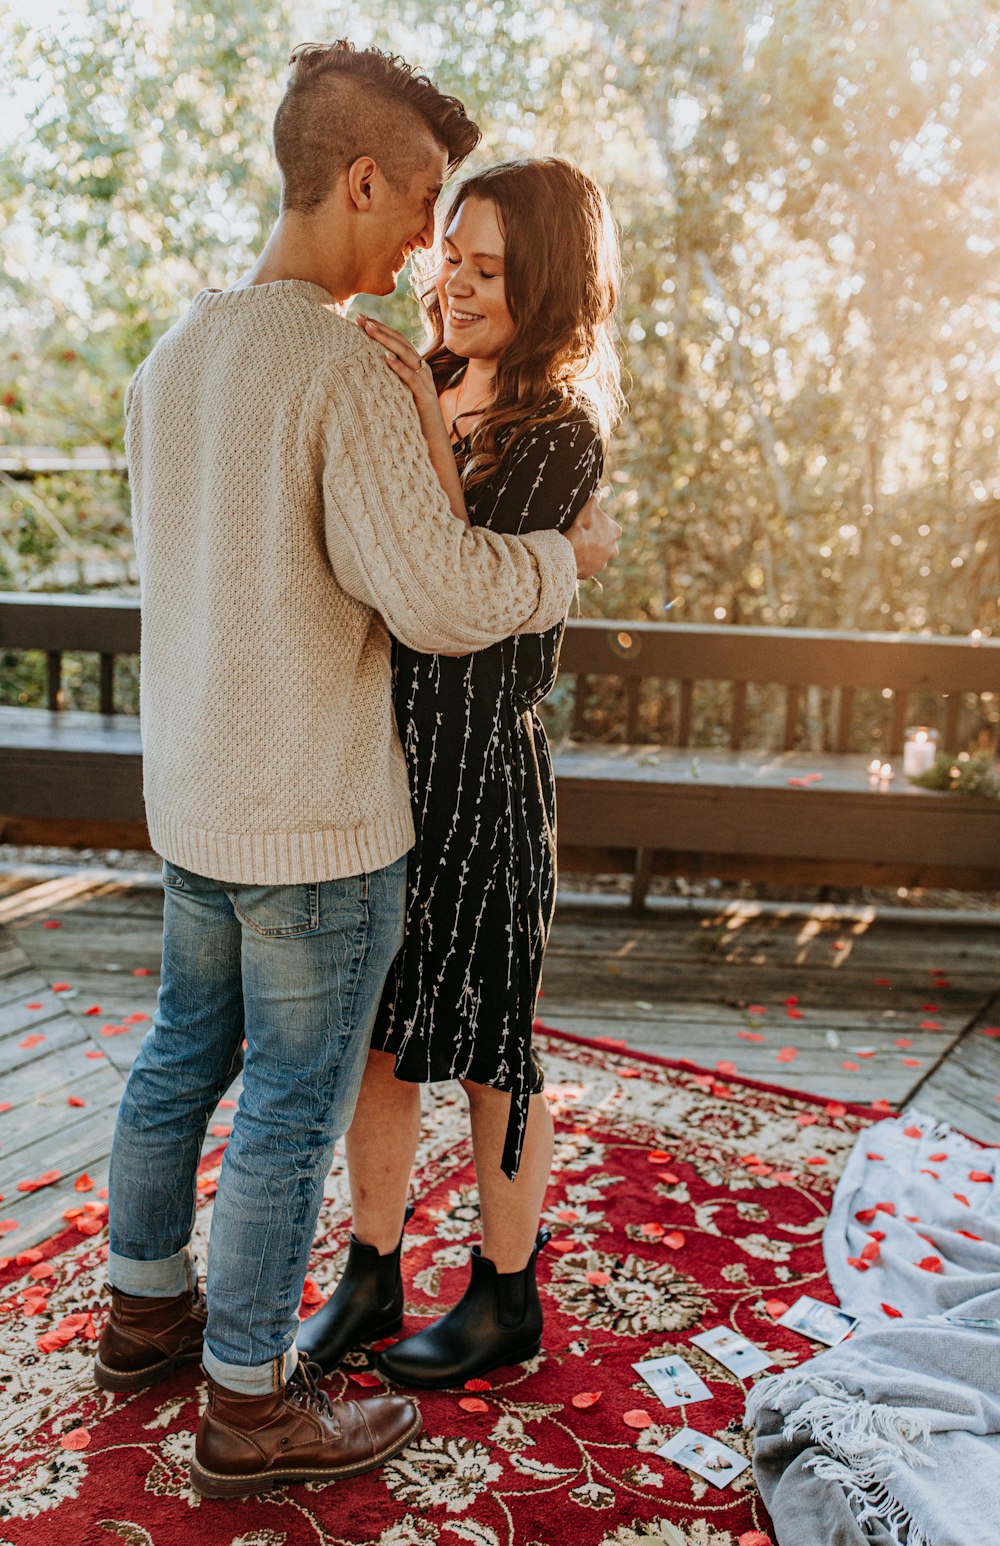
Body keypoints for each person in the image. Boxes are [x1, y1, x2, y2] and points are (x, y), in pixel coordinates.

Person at [94, 44, 620, 1500]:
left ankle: (145, 1314)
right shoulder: (339, 363)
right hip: (318, 827)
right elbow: (441, 597)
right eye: (423, 205)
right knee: (281, 1110)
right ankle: (251, 1402)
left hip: (195, 805)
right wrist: (555, 564)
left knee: (178, 1062)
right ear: (366, 177)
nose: (425, 250)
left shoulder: (173, 354)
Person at [297, 157, 624, 1387]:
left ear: (546, 289)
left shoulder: (559, 433)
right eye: (455, 259)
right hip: (383, 768)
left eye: (492, 271)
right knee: (382, 1036)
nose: (457, 288)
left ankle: (503, 1294)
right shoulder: (420, 379)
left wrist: (430, 431)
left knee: (492, 1043)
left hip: (482, 776)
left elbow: (463, 585)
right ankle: (370, 1273)